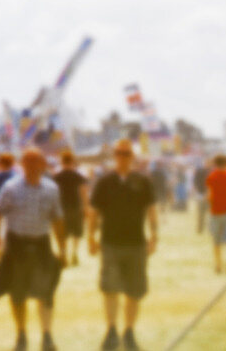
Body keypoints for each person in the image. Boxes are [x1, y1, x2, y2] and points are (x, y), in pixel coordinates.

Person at [0, 147, 67, 351]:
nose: (32, 166)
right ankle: (21, 335)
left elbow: (57, 220)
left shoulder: (51, 189)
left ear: (43, 165)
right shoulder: (11, 188)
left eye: (36, 162)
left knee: (46, 291)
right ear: (22, 165)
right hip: (17, 246)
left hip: (42, 244)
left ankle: (47, 336)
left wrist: (63, 249)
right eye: (27, 162)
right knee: (17, 293)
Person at [88, 138, 158, 351]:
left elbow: (151, 210)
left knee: (134, 290)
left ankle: (129, 332)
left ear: (132, 156)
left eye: (126, 153)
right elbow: (94, 211)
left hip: (136, 243)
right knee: (110, 288)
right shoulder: (104, 181)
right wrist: (91, 236)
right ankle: (111, 331)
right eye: (119, 152)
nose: (122, 157)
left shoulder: (143, 181)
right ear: (114, 155)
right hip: (110, 242)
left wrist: (154, 236)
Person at [53, 150, 88, 266]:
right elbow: (83, 192)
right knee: (76, 232)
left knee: (63, 232)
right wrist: (85, 207)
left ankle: (63, 253)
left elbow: (53, 193)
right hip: (76, 207)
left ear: (61, 161)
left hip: (61, 207)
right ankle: (74, 253)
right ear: (72, 161)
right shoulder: (78, 176)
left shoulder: (57, 176)